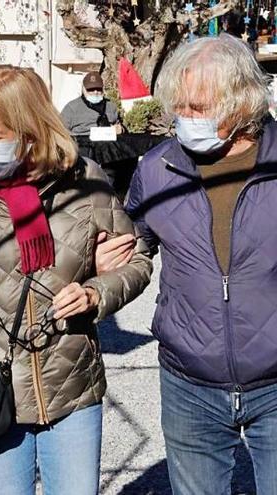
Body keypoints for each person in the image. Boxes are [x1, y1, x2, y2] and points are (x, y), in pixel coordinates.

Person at [0, 66, 152, 495]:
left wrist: (95, 293)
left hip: (73, 385)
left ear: (30, 127)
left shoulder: (85, 182)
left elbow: (136, 263)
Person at [117, 34, 277, 495]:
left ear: (243, 101)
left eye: (198, 106)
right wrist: (111, 261)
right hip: (189, 382)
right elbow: (137, 246)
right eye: (179, 106)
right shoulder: (157, 167)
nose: (185, 119)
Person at [60, 71, 123, 136]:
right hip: (82, 144)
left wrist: (120, 130)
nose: (95, 92)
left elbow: (119, 127)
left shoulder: (111, 106)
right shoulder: (71, 108)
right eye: (91, 89)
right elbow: (60, 131)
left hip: (108, 144)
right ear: (83, 89)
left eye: (98, 89)